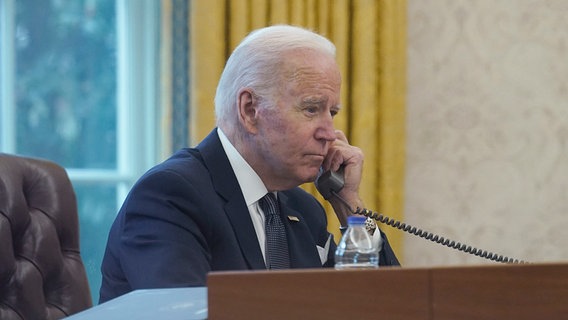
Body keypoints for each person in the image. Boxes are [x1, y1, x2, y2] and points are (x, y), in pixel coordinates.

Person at [99, 24, 400, 303]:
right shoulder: (171, 196)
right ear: (249, 109)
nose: (329, 133)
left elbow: (383, 302)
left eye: (331, 112)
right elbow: (181, 312)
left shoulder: (304, 211)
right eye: (311, 109)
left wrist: (349, 205)